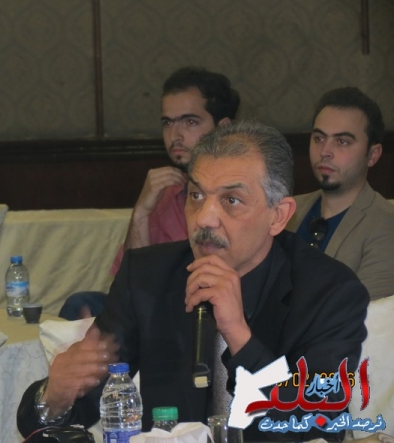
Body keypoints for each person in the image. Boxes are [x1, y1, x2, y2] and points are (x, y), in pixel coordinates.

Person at [18, 121, 369, 441]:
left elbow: (317, 423)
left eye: (231, 200)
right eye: (196, 195)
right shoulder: (147, 276)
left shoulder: (330, 293)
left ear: (278, 216)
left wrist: (239, 336)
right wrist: (54, 396)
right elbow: (76, 405)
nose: (205, 218)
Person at [59, 67, 240, 319]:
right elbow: (128, 286)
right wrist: (142, 212)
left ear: (223, 128)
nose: (175, 136)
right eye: (168, 123)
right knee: (79, 304)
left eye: (190, 122)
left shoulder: (241, 194)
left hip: (212, 310)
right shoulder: (165, 192)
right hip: (156, 309)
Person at [286, 87, 394, 300]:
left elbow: (363, 313)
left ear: (373, 155)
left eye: (342, 141)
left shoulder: (386, 227)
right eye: (319, 138)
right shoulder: (286, 209)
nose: (325, 151)